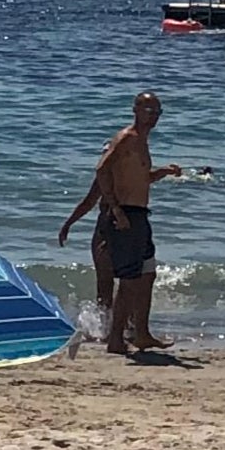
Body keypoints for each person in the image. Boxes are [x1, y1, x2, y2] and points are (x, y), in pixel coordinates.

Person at [56, 91, 181, 355]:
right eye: (148, 110)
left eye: (158, 112)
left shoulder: (141, 143)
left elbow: (139, 180)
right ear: (135, 110)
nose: (153, 116)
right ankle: (114, 338)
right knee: (127, 279)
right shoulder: (127, 138)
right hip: (123, 218)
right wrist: (114, 210)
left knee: (146, 275)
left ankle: (141, 333)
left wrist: (163, 172)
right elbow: (100, 172)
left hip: (139, 215)